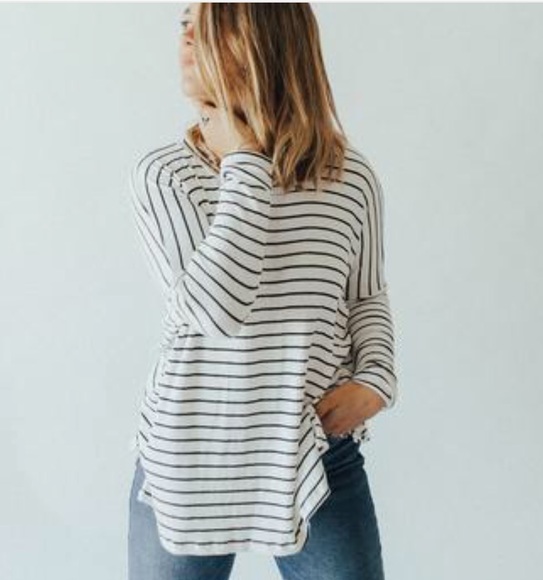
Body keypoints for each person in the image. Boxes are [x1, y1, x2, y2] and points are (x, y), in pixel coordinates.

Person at [127, 4, 398, 579]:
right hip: (190, 458)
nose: (187, 39)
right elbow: (215, 312)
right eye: (184, 24)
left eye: (210, 26)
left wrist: (376, 378)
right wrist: (246, 164)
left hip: (313, 452)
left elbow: (366, 295)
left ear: (267, 41)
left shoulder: (349, 177)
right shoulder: (167, 175)